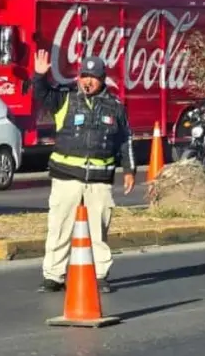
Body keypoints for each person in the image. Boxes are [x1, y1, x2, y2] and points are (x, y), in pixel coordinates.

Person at [33, 49, 135, 294]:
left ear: (102, 79)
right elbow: (41, 94)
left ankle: (100, 275)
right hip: (66, 177)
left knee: (98, 230)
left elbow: (125, 140)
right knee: (59, 227)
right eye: (84, 76)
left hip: (99, 180)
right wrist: (39, 76)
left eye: (93, 77)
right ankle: (53, 276)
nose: (87, 81)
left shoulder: (115, 106)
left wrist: (129, 170)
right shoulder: (65, 99)